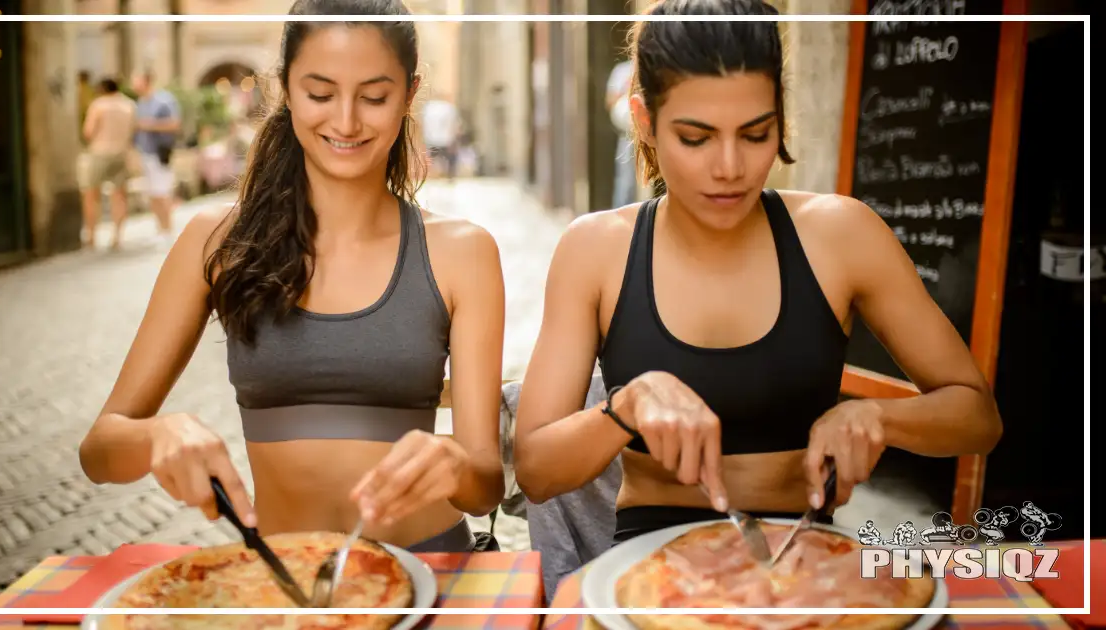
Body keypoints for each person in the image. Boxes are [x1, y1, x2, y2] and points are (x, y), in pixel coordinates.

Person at [513, 0, 1003, 548]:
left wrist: (878, 418)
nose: (729, 167)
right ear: (644, 121)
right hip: (648, 570)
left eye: (755, 134)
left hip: (802, 560)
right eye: (696, 138)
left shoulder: (841, 235)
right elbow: (534, 470)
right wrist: (624, 407)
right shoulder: (596, 249)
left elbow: (978, 416)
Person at [78, 0, 507, 553]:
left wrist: (455, 464)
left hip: (434, 568)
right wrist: (156, 434)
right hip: (285, 583)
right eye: (320, 94)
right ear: (283, 89)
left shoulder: (462, 252)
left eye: (374, 97)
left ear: (407, 94)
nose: (347, 121)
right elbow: (99, 451)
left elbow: (485, 486)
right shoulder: (216, 242)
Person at [80, 77, 136, 251]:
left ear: (102, 89)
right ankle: (117, 237)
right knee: (119, 195)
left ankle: (91, 236)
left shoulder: (99, 105)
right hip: (121, 153)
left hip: (100, 152)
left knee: (91, 194)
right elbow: (133, 131)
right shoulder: (129, 105)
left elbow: (88, 132)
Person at [131, 69, 180, 246]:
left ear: (146, 81)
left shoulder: (164, 100)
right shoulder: (140, 103)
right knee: (153, 193)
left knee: (162, 191)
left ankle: (168, 230)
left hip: (160, 152)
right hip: (146, 153)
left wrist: (148, 125)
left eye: (136, 79)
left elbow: (174, 124)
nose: (133, 84)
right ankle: (160, 229)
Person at [606, 57, 637, 209]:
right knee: (625, 182)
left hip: (648, 132)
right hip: (627, 134)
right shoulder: (621, 71)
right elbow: (610, 100)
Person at [421, 93, 461, 179]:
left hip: (431, 138)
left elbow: (424, 124)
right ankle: (449, 175)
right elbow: (453, 124)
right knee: (450, 158)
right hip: (445, 139)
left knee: (433, 158)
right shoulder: (449, 108)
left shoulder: (428, 107)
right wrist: (454, 137)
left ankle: (431, 175)